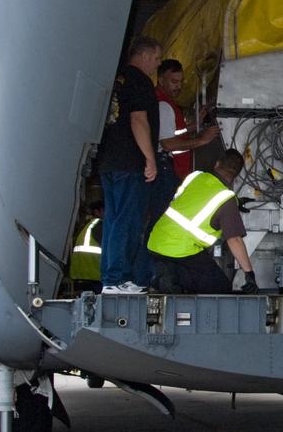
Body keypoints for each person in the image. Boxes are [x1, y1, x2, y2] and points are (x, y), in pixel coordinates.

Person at [98, 35, 162, 294]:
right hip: (130, 162)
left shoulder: (116, 80)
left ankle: (110, 278)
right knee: (127, 220)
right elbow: (138, 120)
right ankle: (118, 278)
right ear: (144, 56)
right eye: (157, 58)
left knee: (113, 220)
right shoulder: (139, 81)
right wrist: (149, 158)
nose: (157, 64)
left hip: (109, 161)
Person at [146, 149, 259, 294]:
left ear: (217, 164)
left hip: (156, 240)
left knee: (193, 269)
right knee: (220, 287)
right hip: (180, 250)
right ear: (236, 175)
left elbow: (198, 199)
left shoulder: (196, 177)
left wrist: (235, 203)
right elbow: (235, 240)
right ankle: (171, 280)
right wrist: (249, 274)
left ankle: (168, 277)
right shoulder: (226, 199)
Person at [151, 58, 220, 227]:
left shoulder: (161, 102)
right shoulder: (164, 106)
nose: (178, 86)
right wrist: (202, 140)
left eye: (180, 82)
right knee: (161, 219)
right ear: (161, 80)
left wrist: (192, 127)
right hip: (165, 168)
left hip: (167, 168)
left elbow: (169, 133)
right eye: (174, 82)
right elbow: (168, 143)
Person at [69, 199, 105, 292]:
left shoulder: (87, 225)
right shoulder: (99, 226)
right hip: (94, 275)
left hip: (81, 274)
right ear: (97, 212)